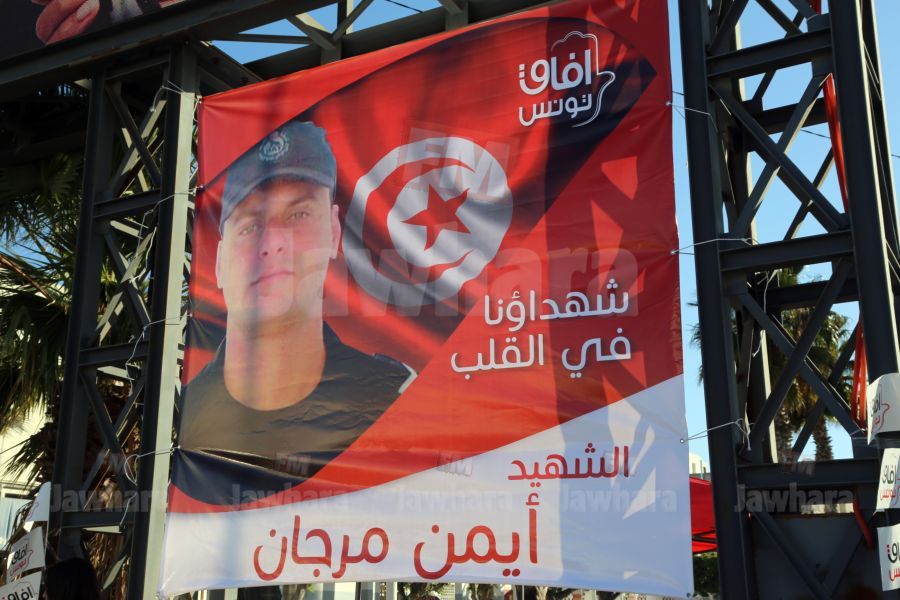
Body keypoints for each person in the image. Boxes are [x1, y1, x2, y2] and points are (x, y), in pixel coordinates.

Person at [176, 119, 413, 506]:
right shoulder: (176, 426)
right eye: (249, 226)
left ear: (334, 232)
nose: (272, 243)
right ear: (218, 262)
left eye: (298, 215)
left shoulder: (397, 402)